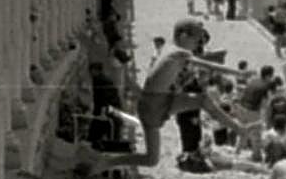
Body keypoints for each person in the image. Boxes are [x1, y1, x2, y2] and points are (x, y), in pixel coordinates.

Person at [92, 19, 248, 169]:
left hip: (157, 101)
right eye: (196, 40)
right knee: (151, 159)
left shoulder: (168, 48)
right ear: (183, 36)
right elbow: (209, 65)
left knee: (202, 100)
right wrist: (238, 73)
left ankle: (239, 129)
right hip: (153, 105)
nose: (197, 44)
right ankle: (107, 162)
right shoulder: (179, 52)